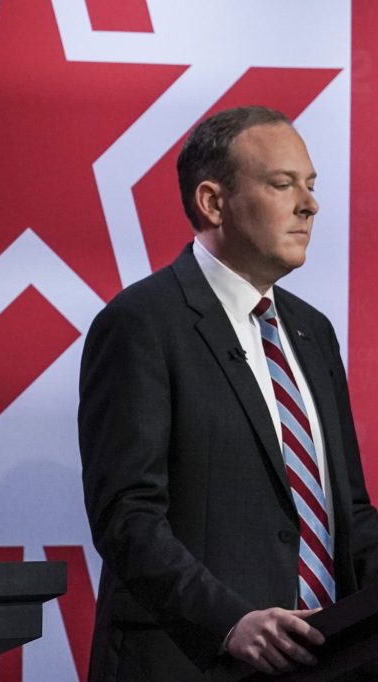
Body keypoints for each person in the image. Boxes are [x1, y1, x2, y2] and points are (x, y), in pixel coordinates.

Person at [79, 105, 378, 679]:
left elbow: (351, 516)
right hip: (193, 660)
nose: (309, 205)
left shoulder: (313, 331)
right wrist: (230, 623)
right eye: (282, 184)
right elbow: (128, 516)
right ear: (213, 202)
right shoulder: (142, 322)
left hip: (327, 656)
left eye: (310, 185)